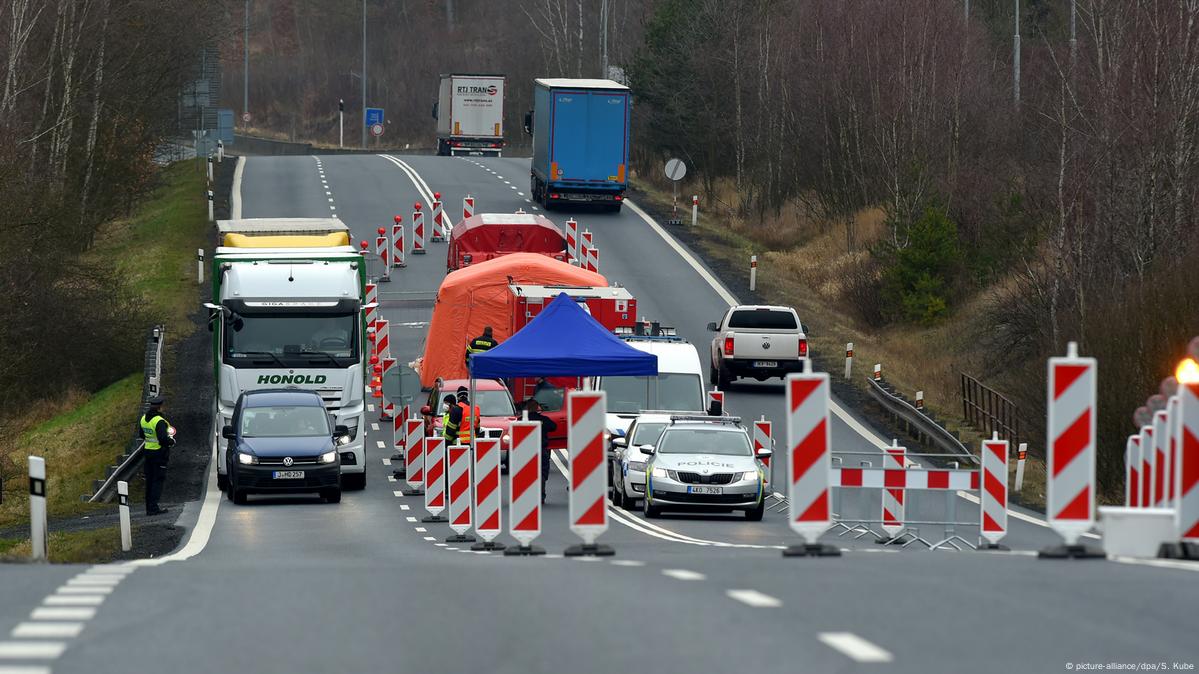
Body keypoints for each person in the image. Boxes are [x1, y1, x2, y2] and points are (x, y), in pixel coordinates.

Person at [138, 396, 175, 516]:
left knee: (149, 480)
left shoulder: (144, 419)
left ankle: (149, 507)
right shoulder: (159, 421)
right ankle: (154, 508)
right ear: (160, 407)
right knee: (157, 480)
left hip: (148, 452)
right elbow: (163, 439)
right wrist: (172, 442)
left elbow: (142, 435)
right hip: (159, 454)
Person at [524, 400, 558, 503]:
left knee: (525, 473)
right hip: (542, 449)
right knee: (542, 473)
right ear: (537, 408)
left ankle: (525, 495)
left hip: (526, 452)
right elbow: (554, 427)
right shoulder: (544, 419)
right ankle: (541, 496)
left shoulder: (522, 420)